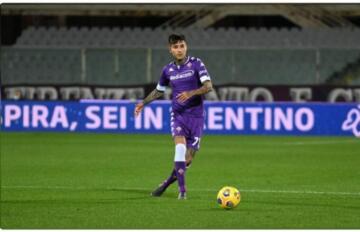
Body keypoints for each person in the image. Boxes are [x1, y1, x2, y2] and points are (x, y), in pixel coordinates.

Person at [134, 34, 213, 200]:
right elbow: (158, 91)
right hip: (178, 115)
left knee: (188, 159)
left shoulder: (196, 64)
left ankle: (167, 182)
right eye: (176, 47)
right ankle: (182, 191)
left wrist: (191, 92)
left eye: (182, 46)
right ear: (170, 50)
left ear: (186, 47)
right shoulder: (167, 70)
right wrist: (143, 103)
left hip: (196, 117)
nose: (179, 49)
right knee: (179, 147)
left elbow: (208, 86)